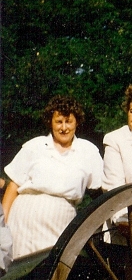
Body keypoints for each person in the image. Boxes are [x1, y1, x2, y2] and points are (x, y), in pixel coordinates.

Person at [2, 95, 103, 258]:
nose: (64, 127)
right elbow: (13, 186)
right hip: (20, 223)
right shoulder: (35, 145)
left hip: (60, 226)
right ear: (50, 122)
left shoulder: (88, 151)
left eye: (68, 121)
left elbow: (100, 191)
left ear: (77, 122)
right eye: (58, 122)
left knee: (50, 273)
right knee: (17, 276)